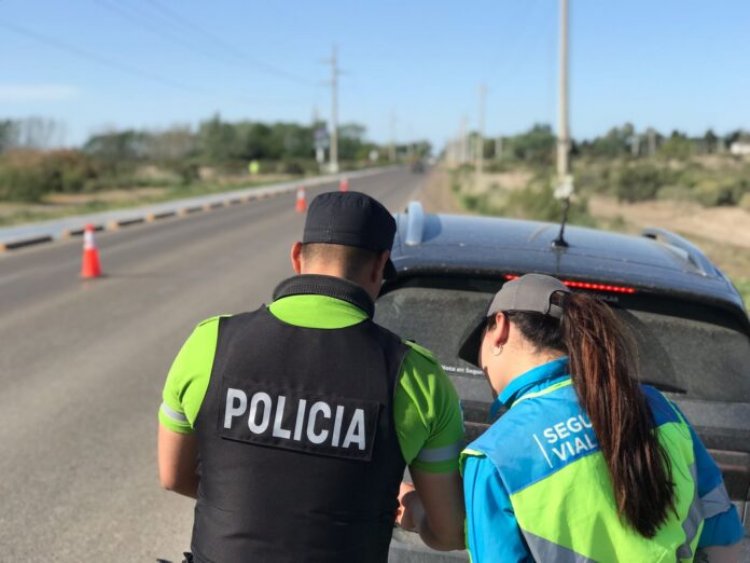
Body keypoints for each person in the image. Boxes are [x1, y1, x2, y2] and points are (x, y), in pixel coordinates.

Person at [157, 191, 465, 563]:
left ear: (297, 256)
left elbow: (174, 476)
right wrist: (411, 507)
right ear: (379, 266)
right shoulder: (415, 375)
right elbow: (449, 533)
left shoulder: (211, 343)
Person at [454, 273, 744, 562]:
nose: (482, 366)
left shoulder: (494, 456)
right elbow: (722, 534)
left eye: (478, 347)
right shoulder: (658, 407)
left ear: (501, 328)